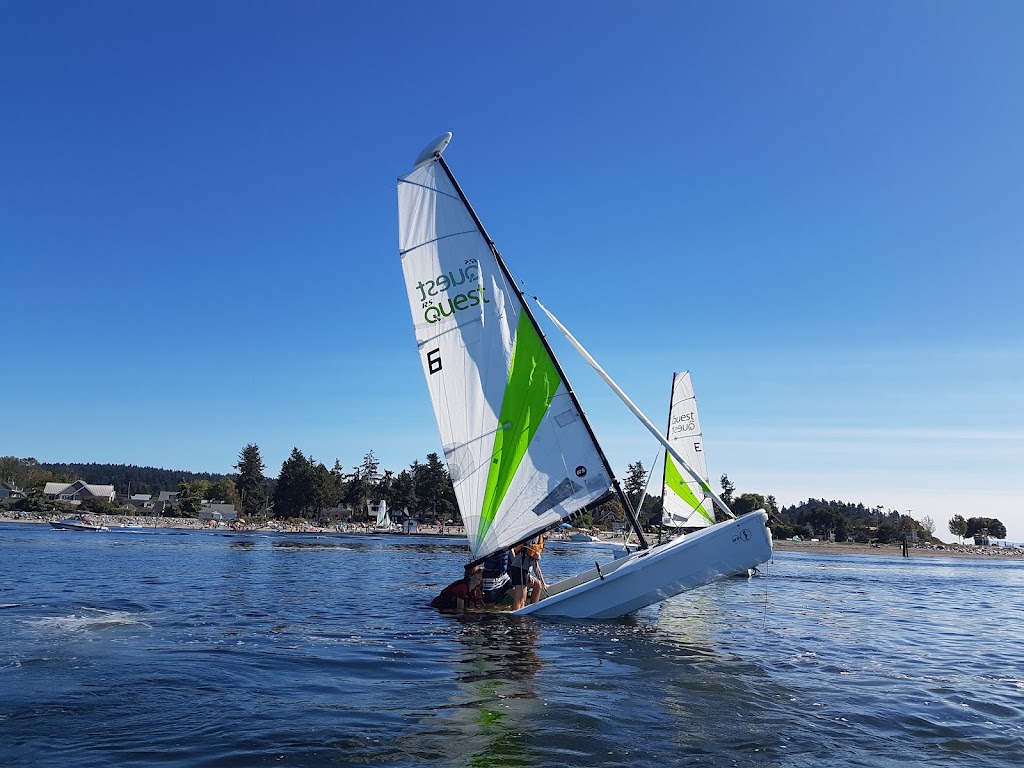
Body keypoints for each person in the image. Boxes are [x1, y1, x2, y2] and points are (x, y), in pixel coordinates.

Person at [509, 534, 546, 610]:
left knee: (537, 585)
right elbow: (526, 550)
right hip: (519, 568)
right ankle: (517, 619)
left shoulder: (538, 536)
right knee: (521, 599)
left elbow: (535, 564)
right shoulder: (532, 536)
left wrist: (543, 583)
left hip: (524, 570)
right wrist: (536, 554)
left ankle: (531, 610)